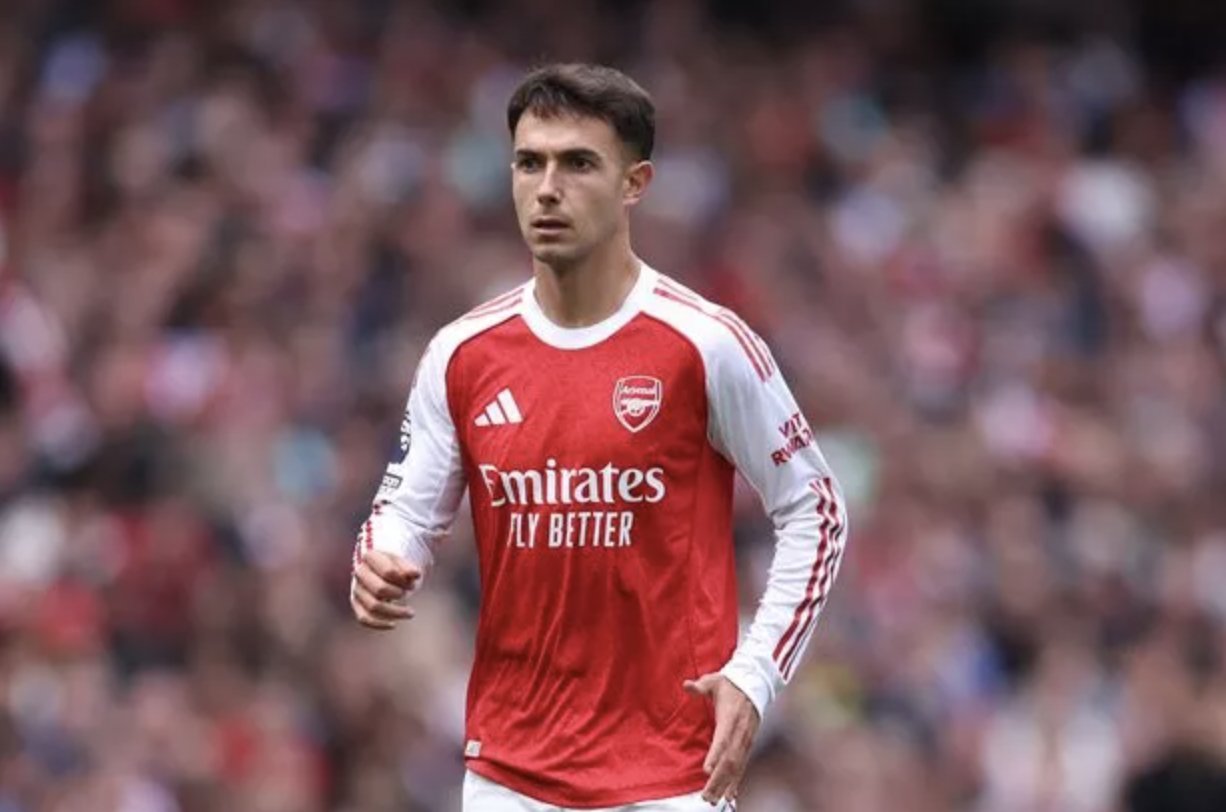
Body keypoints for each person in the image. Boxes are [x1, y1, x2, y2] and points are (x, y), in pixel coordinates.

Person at [349, 62, 849, 811]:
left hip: (670, 774)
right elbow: (405, 514)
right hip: (508, 774)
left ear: (634, 183)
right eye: (529, 163)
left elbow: (817, 509)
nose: (547, 188)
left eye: (578, 163)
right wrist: (382, 558)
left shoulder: (705, 343)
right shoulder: (462, 354)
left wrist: (756, 674)